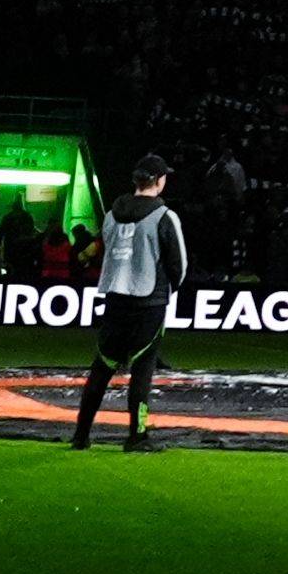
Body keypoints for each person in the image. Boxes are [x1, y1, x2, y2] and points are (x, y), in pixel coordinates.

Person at [71, 164, 192, 450]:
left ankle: (81, 434)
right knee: (142, 368)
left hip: (115, 297)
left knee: (101, 367)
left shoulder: (111, 215)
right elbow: (180, 265)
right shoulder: (164, 216)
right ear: (160, 181)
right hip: (149, 300)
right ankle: (136, 436)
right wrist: (167, 289)